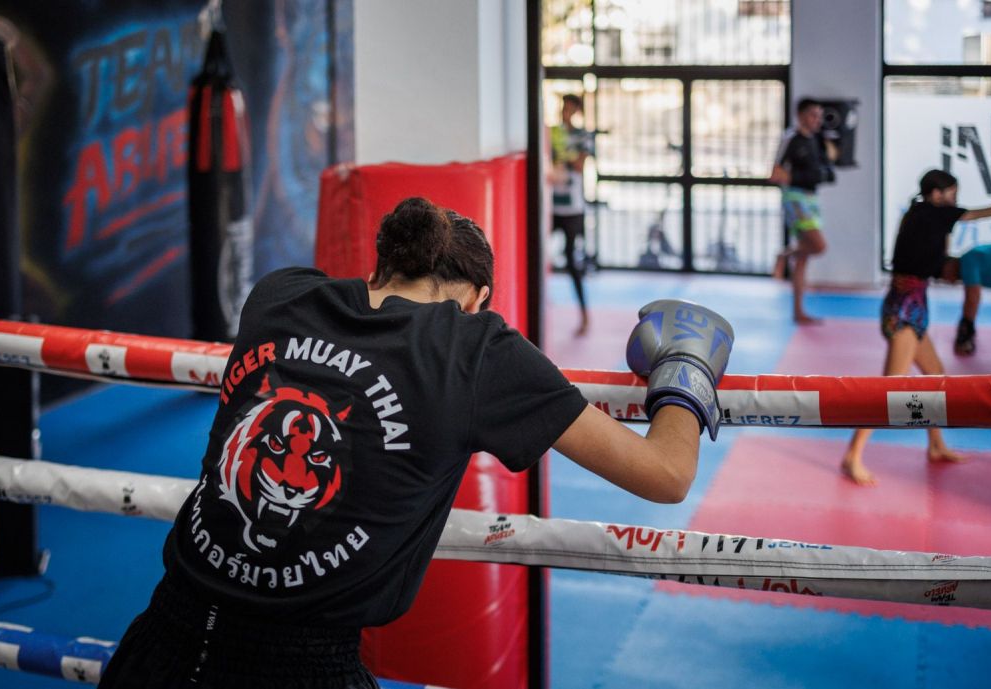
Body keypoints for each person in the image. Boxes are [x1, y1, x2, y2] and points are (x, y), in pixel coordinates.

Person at [97, 197, 735, 688]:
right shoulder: (478, 351)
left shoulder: (278, 295)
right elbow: (665, 474)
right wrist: (686, 364)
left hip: (154, 642)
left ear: (380, 262)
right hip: (302, 668)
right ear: (479, 299)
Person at [840, 170, 991, 486]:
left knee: (935, 377)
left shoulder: (918, 215)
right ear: (936, 194)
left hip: (911, 305)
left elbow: (928, 259)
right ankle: (853, 455)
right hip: (905, 309)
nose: (955, 202)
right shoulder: (934, 214)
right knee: (889, 388)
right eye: (951, 194)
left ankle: (936, 445)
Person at [770, 98, 836, 325]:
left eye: (819, 115)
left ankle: (799, 312)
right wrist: (790, 178)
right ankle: (784, 255)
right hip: (796, 198)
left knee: (805, 258)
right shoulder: (791, 138)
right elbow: (775, 172)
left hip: (811, 197)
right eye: (812, 115)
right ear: (800, 115)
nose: (816, 120)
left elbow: (828, 171)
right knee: (818, 245)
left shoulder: (817, 140)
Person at [549, 93, 595, 335]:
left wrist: (562, 156)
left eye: (568, 108)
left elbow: (580, 164)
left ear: (576, 110)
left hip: (573, 207)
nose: (564, 111)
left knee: (571, 259)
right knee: (536, 253)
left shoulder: (582, 136)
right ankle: (541, 300)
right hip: (550, 205)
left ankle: (584, 315)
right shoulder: (552, 133)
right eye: (562, 107)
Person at [953, 242, 991, 355]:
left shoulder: (969, 259)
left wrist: (965, 333)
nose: (947, 280)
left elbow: (972, 297)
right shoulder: (973, 258)